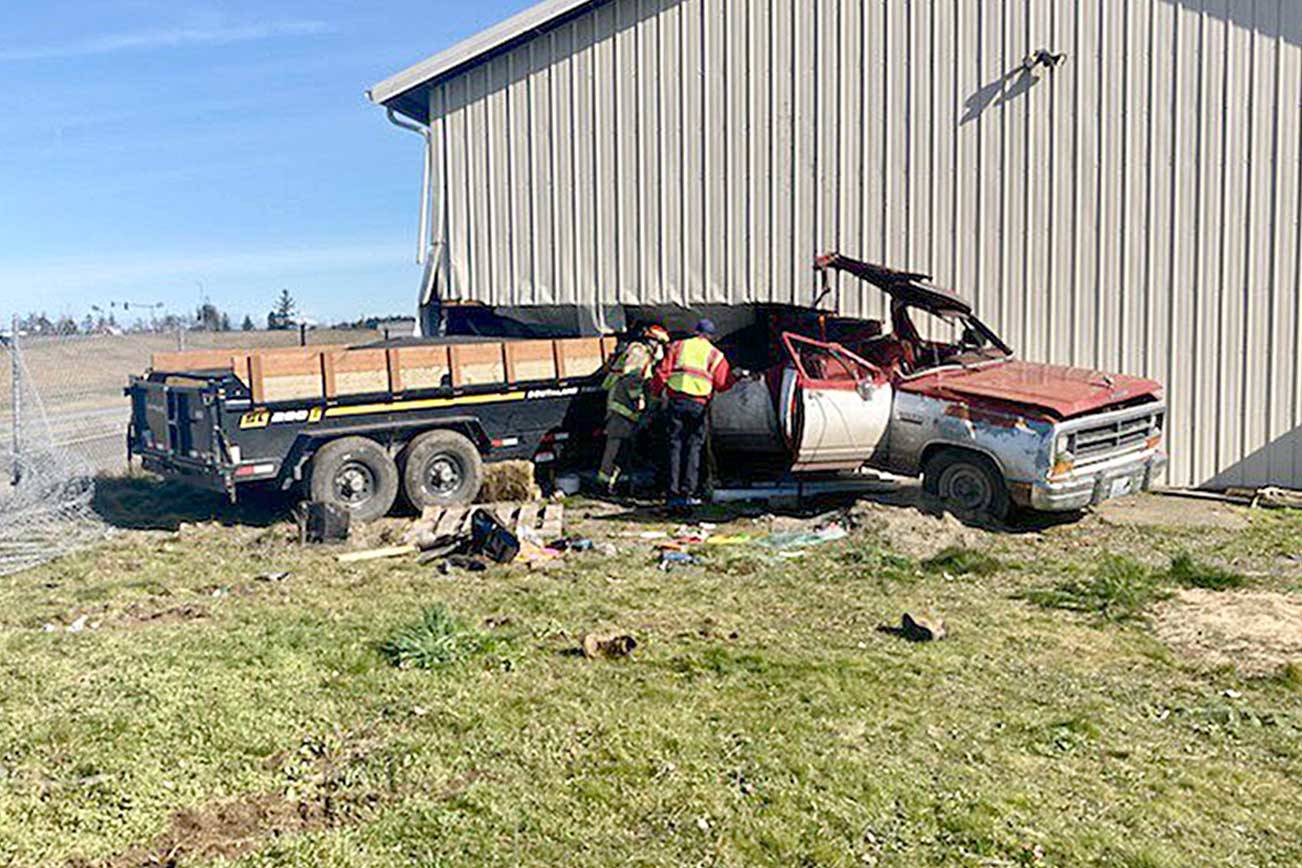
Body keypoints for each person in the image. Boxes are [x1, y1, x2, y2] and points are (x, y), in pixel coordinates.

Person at [651, 319, 736, 508]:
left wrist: (656, 393)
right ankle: (688, 492)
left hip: (676, 401)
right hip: (698, 405)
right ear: (711, 336)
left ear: (695, 331)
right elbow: (722, 384)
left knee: (674, 445)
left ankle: (671, 492)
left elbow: (661, 373)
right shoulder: (715, 354)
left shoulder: (678, 346)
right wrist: (735, 378)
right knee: (693, 448)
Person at [597, 324, 671, 493]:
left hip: (627, 408)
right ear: (653, 342)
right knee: (615, 445)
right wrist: (639, 398)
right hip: (621, 405)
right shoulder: (638, 351)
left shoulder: (646, 356)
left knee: (623, 446)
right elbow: (631, 377)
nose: (662, 349)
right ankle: (603, 484)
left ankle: (615, 481)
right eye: (660, 344)